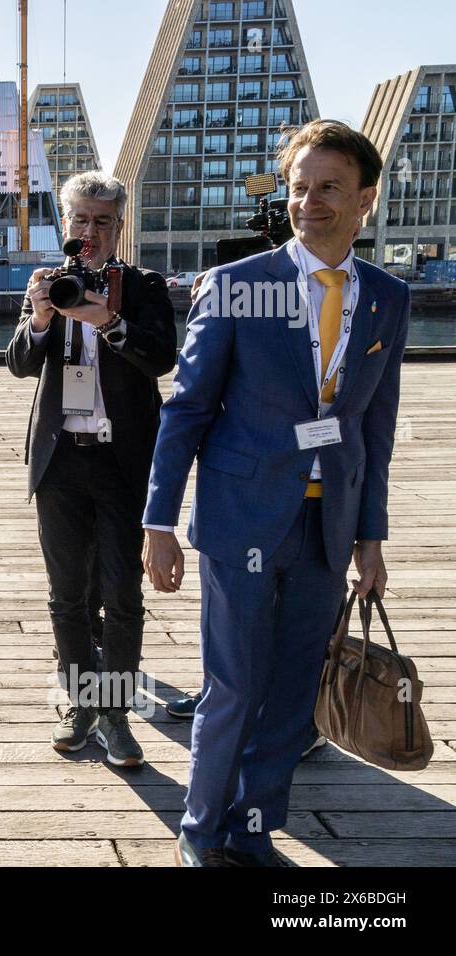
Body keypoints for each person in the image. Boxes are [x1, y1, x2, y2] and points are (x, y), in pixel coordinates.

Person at [143, 120, 409, 867]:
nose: (310, 202)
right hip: (243, 518)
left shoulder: (389, 298)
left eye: (329, 187)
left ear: (365, 199)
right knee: (233, 685)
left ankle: (252, 829)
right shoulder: (236, 287)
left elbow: (374, 433)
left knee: (294, 694)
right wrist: (158, 520)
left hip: (331, 525)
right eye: (299, 187)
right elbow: (186, 411)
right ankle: (200, 834)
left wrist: (372, 540)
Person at [5, 171, 178, 767]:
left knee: (123, 594)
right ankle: (82, 703)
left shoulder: (145, 285)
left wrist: (106, 319)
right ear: (66, 222)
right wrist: (41, 317)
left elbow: (160, 357)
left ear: (119, 227)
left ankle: (116, 714)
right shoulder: (51, 284)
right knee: (67, 597)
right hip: (60, 463)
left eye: (102, 221)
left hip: (122, 461)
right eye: (80, 219)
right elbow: (20, 365)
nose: (90, 231)